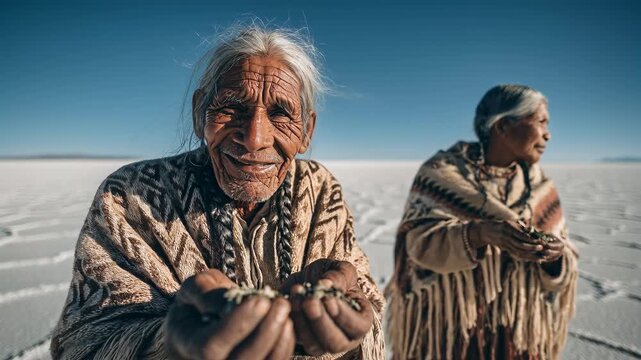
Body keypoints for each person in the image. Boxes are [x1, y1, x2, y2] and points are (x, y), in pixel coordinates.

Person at [51, 25, 384, 360]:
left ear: (306, 130)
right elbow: (82, 341)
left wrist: (350, 328)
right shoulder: (130, 196)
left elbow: (368, 302)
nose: (255, 138)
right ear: (200, 114)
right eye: (232, 108)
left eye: (280, 114)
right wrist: (169, 344)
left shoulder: (320, 190)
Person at [386, 84, 578, 360]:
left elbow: (565, 258)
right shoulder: (441, 174)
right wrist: (477, 234)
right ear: (502, 126)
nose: (548, 134)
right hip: (449, 336)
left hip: (517, 337)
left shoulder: (540, 187)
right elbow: (417, 248)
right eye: (541, 122)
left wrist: (553, 257)